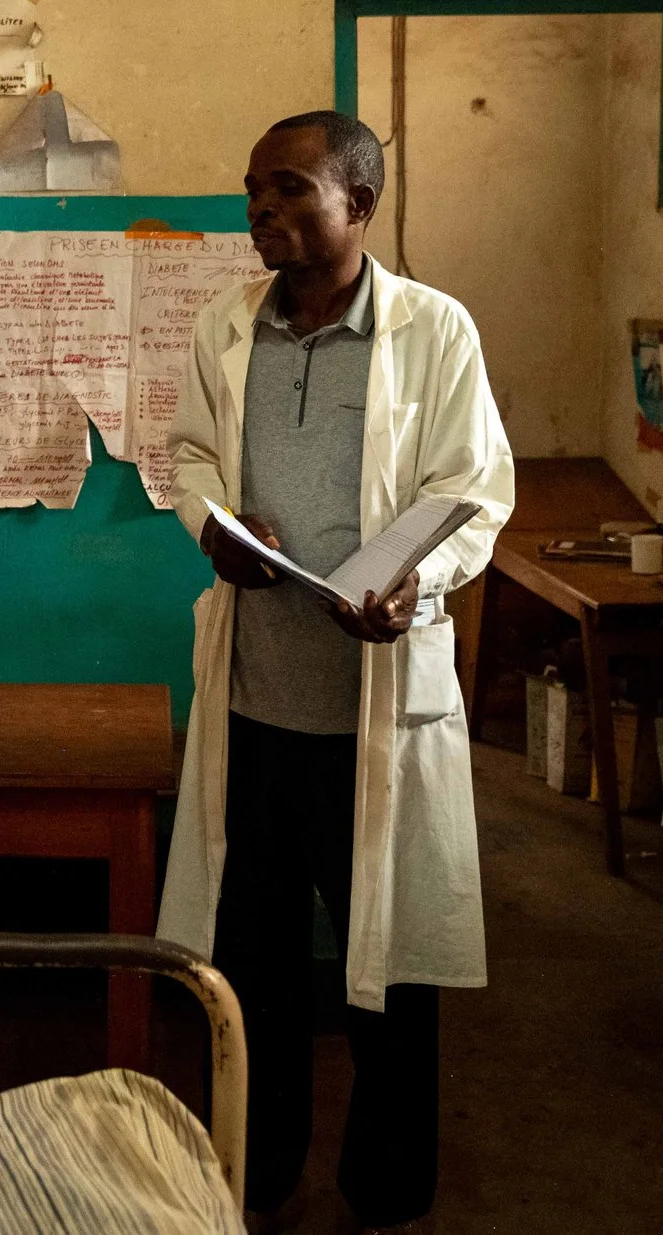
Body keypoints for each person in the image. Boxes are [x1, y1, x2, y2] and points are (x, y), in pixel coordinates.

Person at [160, 111, 514, 1231]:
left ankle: (388, 1190)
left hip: (376, 711)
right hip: (258, 707)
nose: (260, 210)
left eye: (288, 189)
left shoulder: (433, 330)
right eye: (252, 190)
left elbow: (473, 488)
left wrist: (422, 581)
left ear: (358, 204)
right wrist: (213, 525)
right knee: (253, 971)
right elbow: (187, 457)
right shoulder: (227, 324)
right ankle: (258, 1179)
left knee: (392, 980)